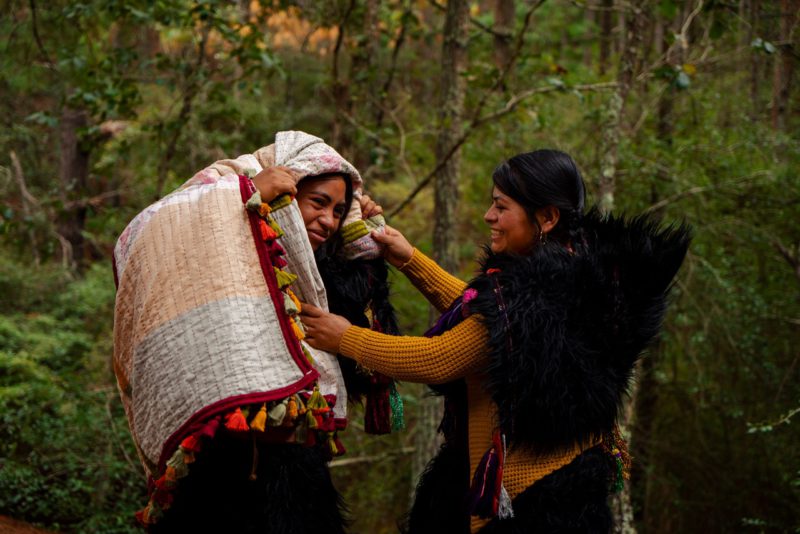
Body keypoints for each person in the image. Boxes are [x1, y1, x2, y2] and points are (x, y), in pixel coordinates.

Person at [301, 149, 691, 533]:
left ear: (547, 217)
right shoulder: (582, 269)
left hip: (530, 501)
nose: (490, 216)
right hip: (570, 481)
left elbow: (439, 358)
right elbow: (486, 317)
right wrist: (409, 259)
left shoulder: (534, 293)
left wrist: (345, 336)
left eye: (501, 207)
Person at [114, 131, 399, 533]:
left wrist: (362, 250)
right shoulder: (221, 255)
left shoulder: (319, 279)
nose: (329, 221)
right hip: (218, 467)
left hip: (298, 475)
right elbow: (152, 229)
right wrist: (243, 192)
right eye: (319, 202)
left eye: (338, 211)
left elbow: (361, 373)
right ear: (287, 193)